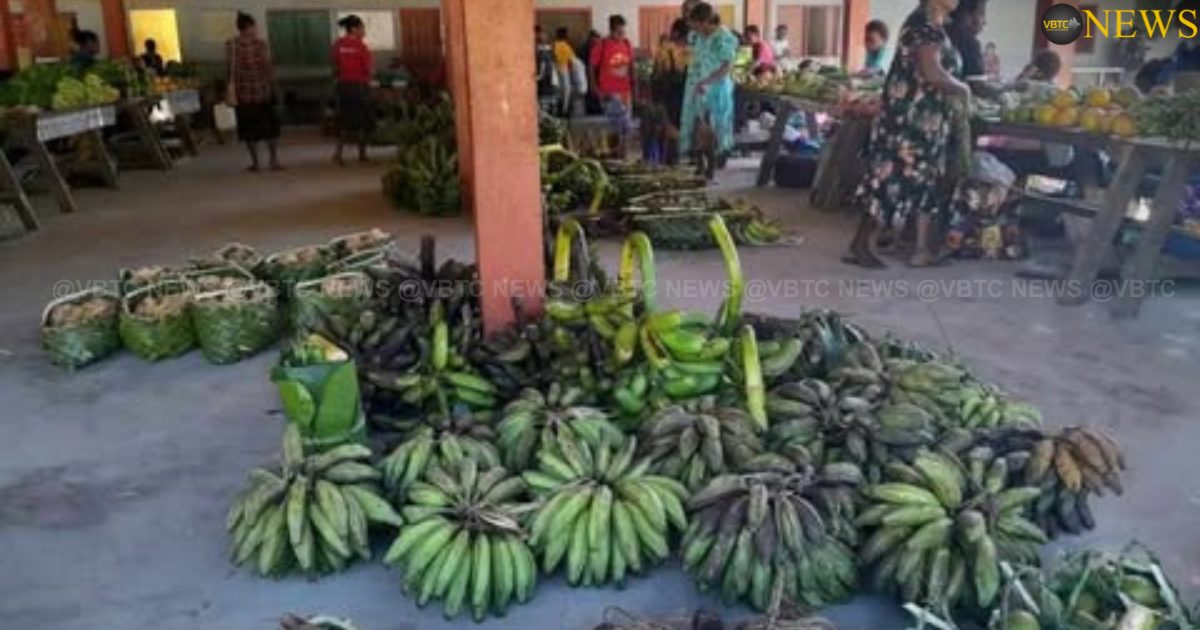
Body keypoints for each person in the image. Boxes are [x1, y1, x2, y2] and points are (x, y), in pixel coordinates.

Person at [846, 0, 970, 269]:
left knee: (925, 184)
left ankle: (922, 250)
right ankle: (863, 243)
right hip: (909, 121)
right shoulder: (924, 26)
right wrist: (964, 89)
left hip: (925, 122)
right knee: (888, 182)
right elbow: (932, 72)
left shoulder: (932, 25)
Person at [680, 3, 738, 162]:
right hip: (696, 85)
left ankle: (718, 155)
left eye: (696, 24)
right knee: (697, 120)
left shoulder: (724, 37)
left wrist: (707, 82)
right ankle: (698, 154)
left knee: (716, 123)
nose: (694, 29)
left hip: (716, 87)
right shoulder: (696, 36)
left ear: (705, 21)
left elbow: (727, 67)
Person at [226, 12, 281, 172]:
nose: (256, 29)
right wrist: (274, 87)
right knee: (271, 129)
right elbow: (269, 68)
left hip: (243, 95)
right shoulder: (261, 45)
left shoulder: (231, 45)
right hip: (263, 93)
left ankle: (256, 163)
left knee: (249, 131)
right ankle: (274, 160)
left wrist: (231, 88)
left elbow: (230, 70)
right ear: (248, 27)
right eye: (254, 26)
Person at [332, 14, 373, 165]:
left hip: (343, 87)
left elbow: (335, 66)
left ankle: (338, 154)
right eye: (362, 28)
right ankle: (362, 155)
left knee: (344, 120)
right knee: (362, 121)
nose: (364, 31)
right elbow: (368, 69)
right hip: (359, 87)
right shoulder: (362, 47)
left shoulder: (338, 44)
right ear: (354, 29)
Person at [590, 15, 634, 154]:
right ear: (611, 30)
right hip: (608, 93)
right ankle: (616, 153)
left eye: (623, 32)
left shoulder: (627, 44)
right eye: (619, 32)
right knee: (618, 125)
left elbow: (631, 66)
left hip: (625, 92)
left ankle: (622, 154)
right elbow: (591, 67)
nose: (622, 35)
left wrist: (635, 86)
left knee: (625, 127)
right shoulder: (601, 45)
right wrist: (594, 86)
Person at [654, 19, 691, 128]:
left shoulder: (664, 50)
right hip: (685, 97)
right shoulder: (692, 51)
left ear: (675, 33)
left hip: (670, 98)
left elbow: (656, 75)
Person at [579, 30, 603, 115]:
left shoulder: (598, 47)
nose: (596, 41)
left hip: (597, 74)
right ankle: (592, 109)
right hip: (588, 73)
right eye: (595, 39)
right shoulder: (585, 48)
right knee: (590, 91)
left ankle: (596, 108)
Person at [553, 27, 576, 116]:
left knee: (558, 90)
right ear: (565, 35)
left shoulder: (554, 44)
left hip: (555, 68)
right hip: (563, 67)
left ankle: (558, 109)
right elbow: (571, 60)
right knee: (566, 89)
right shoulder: (565, 46)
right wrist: (571, 72)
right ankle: (564, 110)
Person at [535, 26, 557, 114]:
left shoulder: (543, 49)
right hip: (549, 79)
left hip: (546, 79)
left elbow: (543, 63)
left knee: (544, 102)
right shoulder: (547, 47)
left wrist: (539, 76)